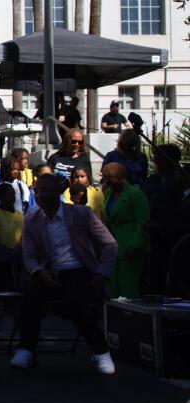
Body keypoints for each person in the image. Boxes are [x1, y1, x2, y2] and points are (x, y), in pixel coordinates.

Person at [10, 174, 118, 374]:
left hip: (78, 269)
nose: (40, 195)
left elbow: (109, 244)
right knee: (30, 299)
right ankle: (26, 348)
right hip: (49, 272)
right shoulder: (32, 220)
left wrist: (103, 273)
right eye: (37, 191)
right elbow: (29, 256)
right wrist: (39, 271)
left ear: (58, 192)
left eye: (46, 190)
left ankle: (101, 351)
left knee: (75, 302)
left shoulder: (81, 214)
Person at [101, 162, 150, 298]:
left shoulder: (135, 194)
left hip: (129, 245)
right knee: (113, 286)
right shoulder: (109, 193)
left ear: (121, 177)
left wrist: (134, 246)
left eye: (111, 177)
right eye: (106, 178)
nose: (108, 181)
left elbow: (143, 222)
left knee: (128, 286)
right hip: (113, 246)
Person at [143, 144, 185, 294]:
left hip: (172, 237)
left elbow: (180, 212)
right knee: (155, 274)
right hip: (152, 237)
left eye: (160, 158)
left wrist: (162, 227)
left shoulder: (181, 180)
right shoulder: (152, 180)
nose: (156, 160)